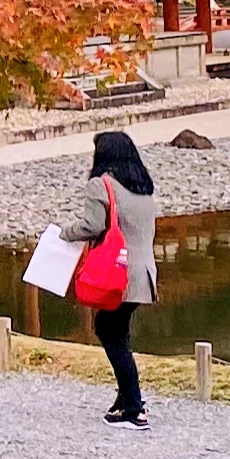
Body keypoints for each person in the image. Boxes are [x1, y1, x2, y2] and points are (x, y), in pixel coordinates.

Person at [57, 129, 160, 425]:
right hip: (144, 273)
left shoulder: (100, 185)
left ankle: (134, 408)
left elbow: (92, 225)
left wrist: (63, 233)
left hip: (120, 274)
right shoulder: (143, 188)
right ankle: (126, 399)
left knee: (106, 329)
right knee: (118, 332)